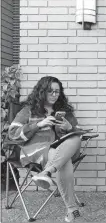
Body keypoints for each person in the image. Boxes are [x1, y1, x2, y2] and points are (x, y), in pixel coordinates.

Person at [8, 76, 82, 222]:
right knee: (63, 161)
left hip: (58, 150)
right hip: (35, 150)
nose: (54, 95)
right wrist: (39, 125)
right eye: (50, 92)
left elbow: (78, 131)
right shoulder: (28, 110)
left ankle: (46, 172)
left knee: (75, 138)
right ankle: (72, 210)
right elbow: (12, 134)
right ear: (42, 92)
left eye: (57, 92)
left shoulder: (64, 111)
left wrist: (69, 128)